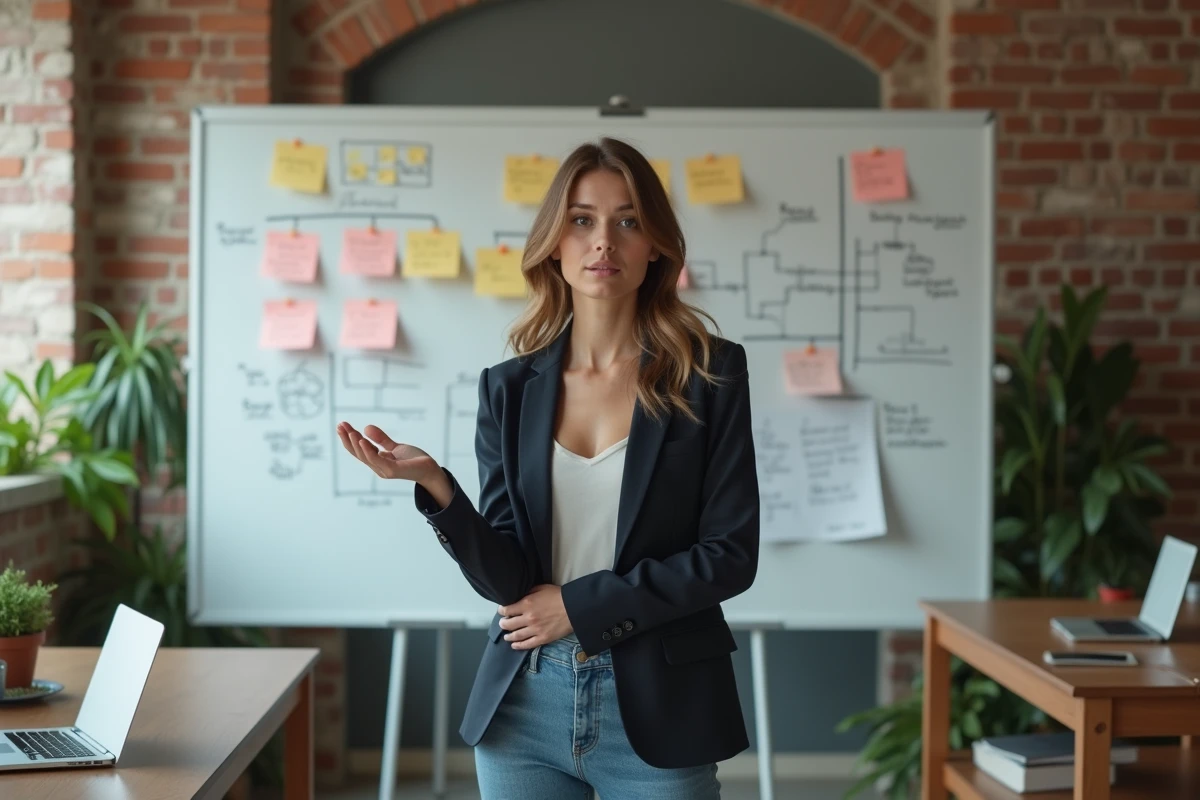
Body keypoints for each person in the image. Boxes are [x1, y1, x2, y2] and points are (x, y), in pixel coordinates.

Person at [337, 137, 759, 799]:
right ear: (554, 245)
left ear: (655, 246)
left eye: (627, 221)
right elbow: (508, 580)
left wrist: (579, 608)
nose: (604, 242)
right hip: (524, 706)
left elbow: (730, 555)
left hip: (660, 702)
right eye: (582, 220)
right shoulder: (508, 389)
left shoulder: (709, 374)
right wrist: (438, 489)